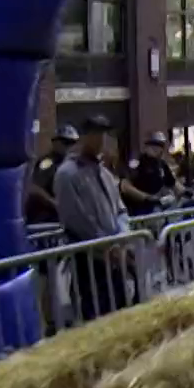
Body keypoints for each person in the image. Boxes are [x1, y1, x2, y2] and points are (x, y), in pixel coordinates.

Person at [52, 116, 134, 322]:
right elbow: (76, 218)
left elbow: (121, 210)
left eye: (104, 135)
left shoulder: (105, 173)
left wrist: (122, 238)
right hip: (89, 258)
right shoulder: (67, 174)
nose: (101, 140)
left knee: (121, 310)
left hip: (114, 257)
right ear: (84, 137)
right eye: (96, 134)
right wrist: (105, 245)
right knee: (95, 313)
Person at [27, 124, 76, 225]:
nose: (68, 147)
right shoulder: (47, 162)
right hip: (45, 218)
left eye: (72, 143)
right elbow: (36, 188)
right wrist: (54, 204)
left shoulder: (70, 163)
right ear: (55, 142)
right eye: (65, 142)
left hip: (62, 218)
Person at [122, 131, 179, 217]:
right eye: (153, 144)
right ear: (146, 146)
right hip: (140, 207)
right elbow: (125, 186)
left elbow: (173, 183)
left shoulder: (162, 164)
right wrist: (146, 197)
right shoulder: (138, 162)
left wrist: (187, 192)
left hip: (158, 206)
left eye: (160, 145)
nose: (157, 148)